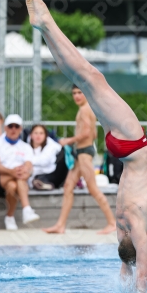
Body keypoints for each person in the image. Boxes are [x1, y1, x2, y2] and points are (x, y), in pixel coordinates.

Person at [26, 0, 147, 293]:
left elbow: (139, 272)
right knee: (85, 80)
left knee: (91, 77)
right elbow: (126, 263)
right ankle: (44, 26)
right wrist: (128, 267)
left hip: (132, 144)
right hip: (121, 148)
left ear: (144, 251)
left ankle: (46, 22)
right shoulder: (123, 230)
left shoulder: (137, 230)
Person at [44, 84, 116, 234]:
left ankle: (112, 223)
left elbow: (87, 133)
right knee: (68, 187)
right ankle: (60, 225)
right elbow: (94, 134)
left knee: (93, 189)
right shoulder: (88, 109)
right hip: (81, 153)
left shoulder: (84, 110)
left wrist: (67, 140)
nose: (77, 96)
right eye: (74, 93)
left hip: (84, 153)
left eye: (80, 92)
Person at [0, 114, 40, 231]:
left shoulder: (25, 147)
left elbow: (29, 166)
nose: (13, 129)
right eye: (11, 126)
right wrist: (14, 172)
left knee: (13, 185)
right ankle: (26, 209)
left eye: (16, 126)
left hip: (14, 180)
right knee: (18, 178)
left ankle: (10, 217)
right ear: (5, 128)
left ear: (20, 129)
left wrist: (25, 171)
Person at [29, 124, 68, 190]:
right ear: (31, 135)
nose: (38, 136)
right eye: (36, 133)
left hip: (53, 173)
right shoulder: (27, 147)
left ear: (45, 135)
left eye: (41, 133)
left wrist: (29, 163)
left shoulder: (52, 146)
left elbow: (44, 161)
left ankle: (43, 183)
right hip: (37, 173)